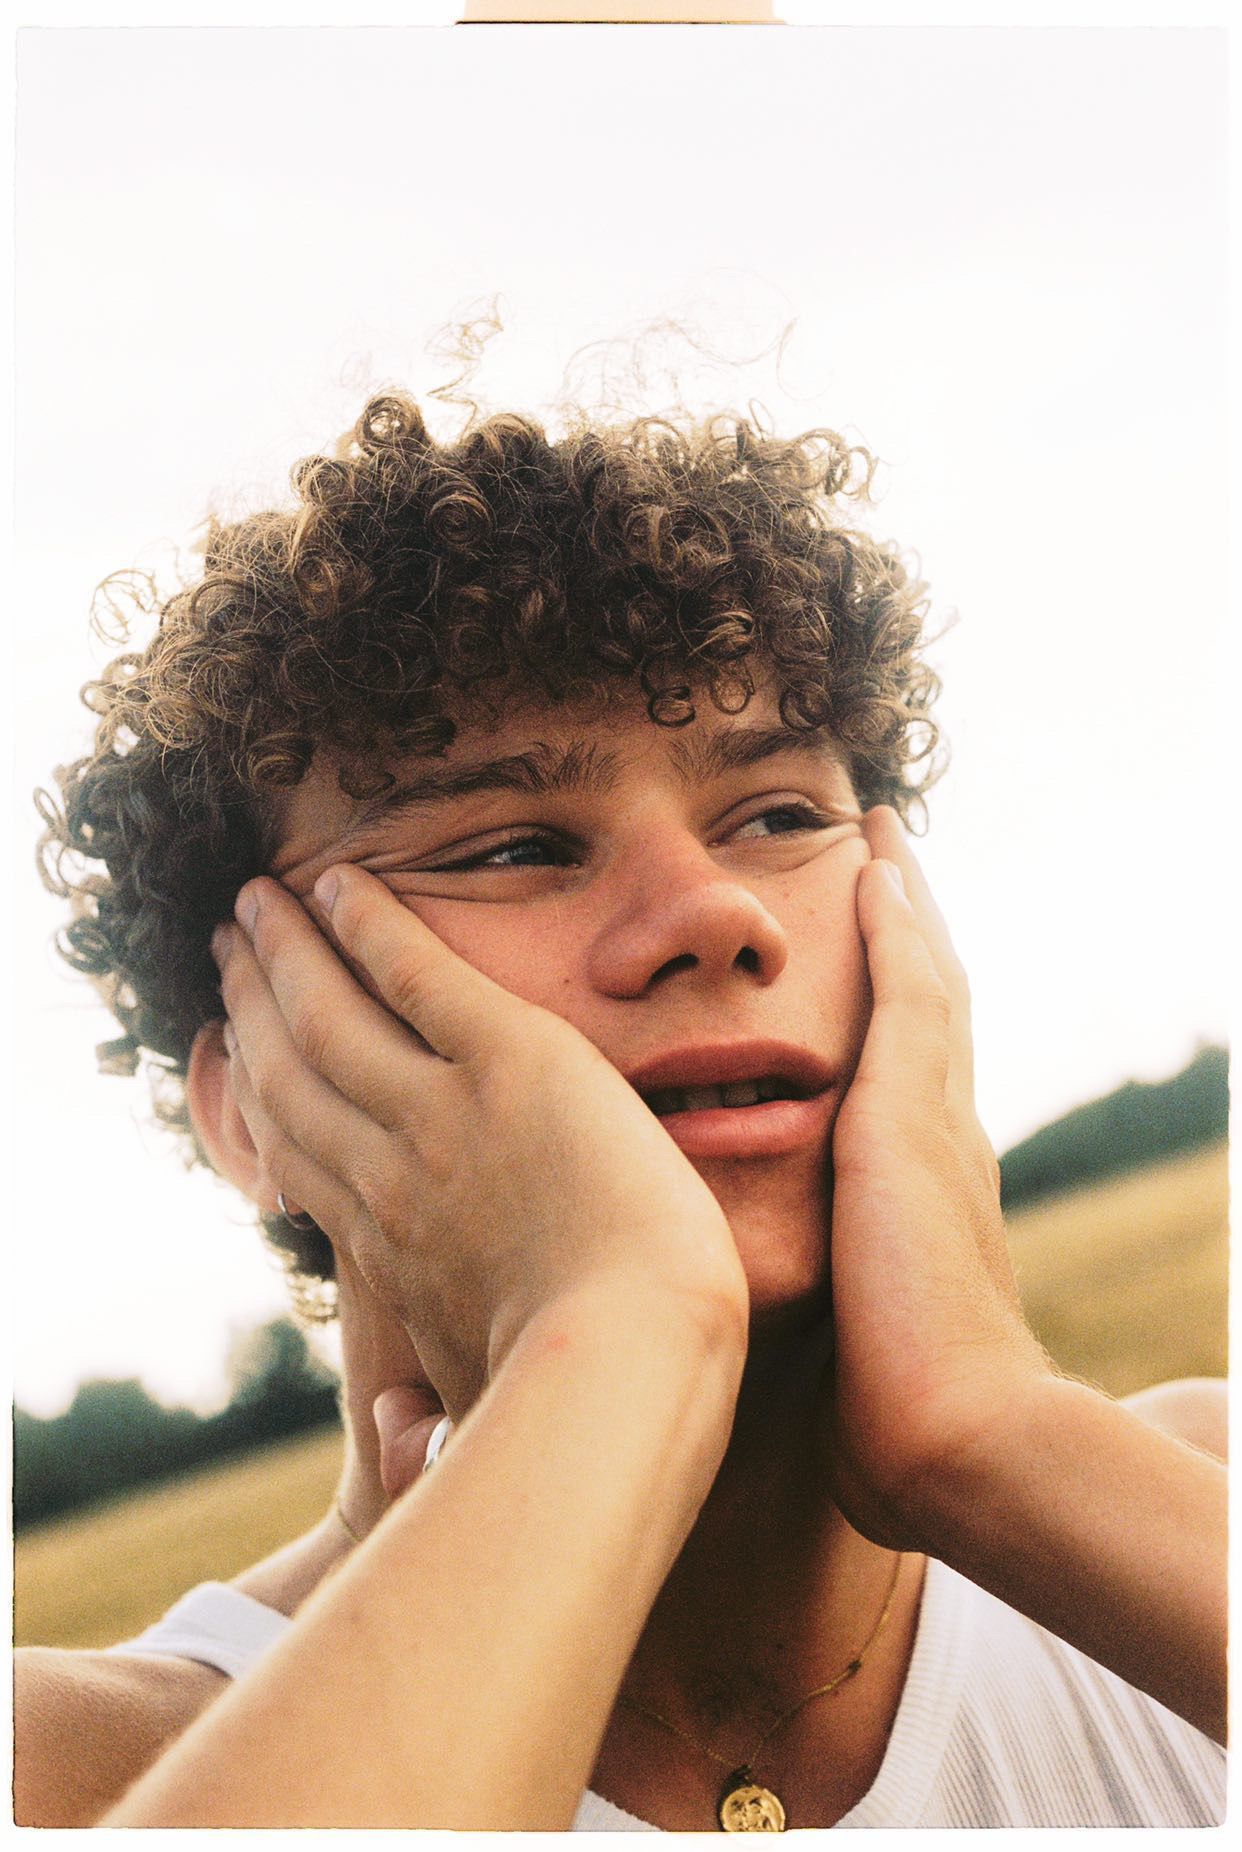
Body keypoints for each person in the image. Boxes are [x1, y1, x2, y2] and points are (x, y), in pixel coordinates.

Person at [19, 391, 1225, 1829]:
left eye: (779, 816)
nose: (712, 915)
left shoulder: (1189, 1491)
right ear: (246, 1102)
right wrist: (615, 1340)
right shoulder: (68, 1775)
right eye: (515, 844)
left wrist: (988, 1434)